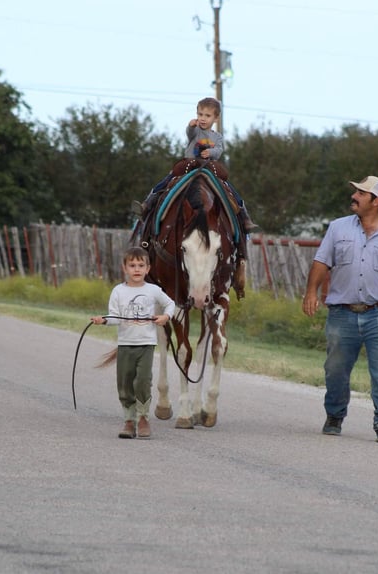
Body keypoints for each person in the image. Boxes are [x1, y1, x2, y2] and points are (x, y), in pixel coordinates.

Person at [302, 175, 378, 444]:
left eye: (360, 193)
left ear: (376, 201)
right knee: (335, 369)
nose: (354, 196)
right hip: (341, 312)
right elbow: (321, 262)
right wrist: (311, 291)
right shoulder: (337, 228)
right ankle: (334, 415)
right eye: (355, 191)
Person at [136, 96, 259, 234]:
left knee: (226, 185)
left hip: (208, 165)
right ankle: (148, 203)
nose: (203, 118)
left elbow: (219, 151)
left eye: (207, 115)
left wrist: (211, 152)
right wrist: (190, 125)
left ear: (215, 119)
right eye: (200, 114)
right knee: (170, 178)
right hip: (190, 163)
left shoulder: (217, 137)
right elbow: (189, 133)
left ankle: (244, 216)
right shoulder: (195, 130)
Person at [91, 246, 176, 439]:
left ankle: (143, 418)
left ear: (148, 268)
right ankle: (129, 421)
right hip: (125, 345)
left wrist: (166, 316)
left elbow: (170, 303)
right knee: (125, 383)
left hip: (145, 345)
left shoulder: (153, 290)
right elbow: (114, 317)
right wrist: (103, 320)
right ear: (125, 268)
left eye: (141, 265)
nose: (136, 269)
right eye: (132, 265)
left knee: (143, 381)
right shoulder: (118, 291)